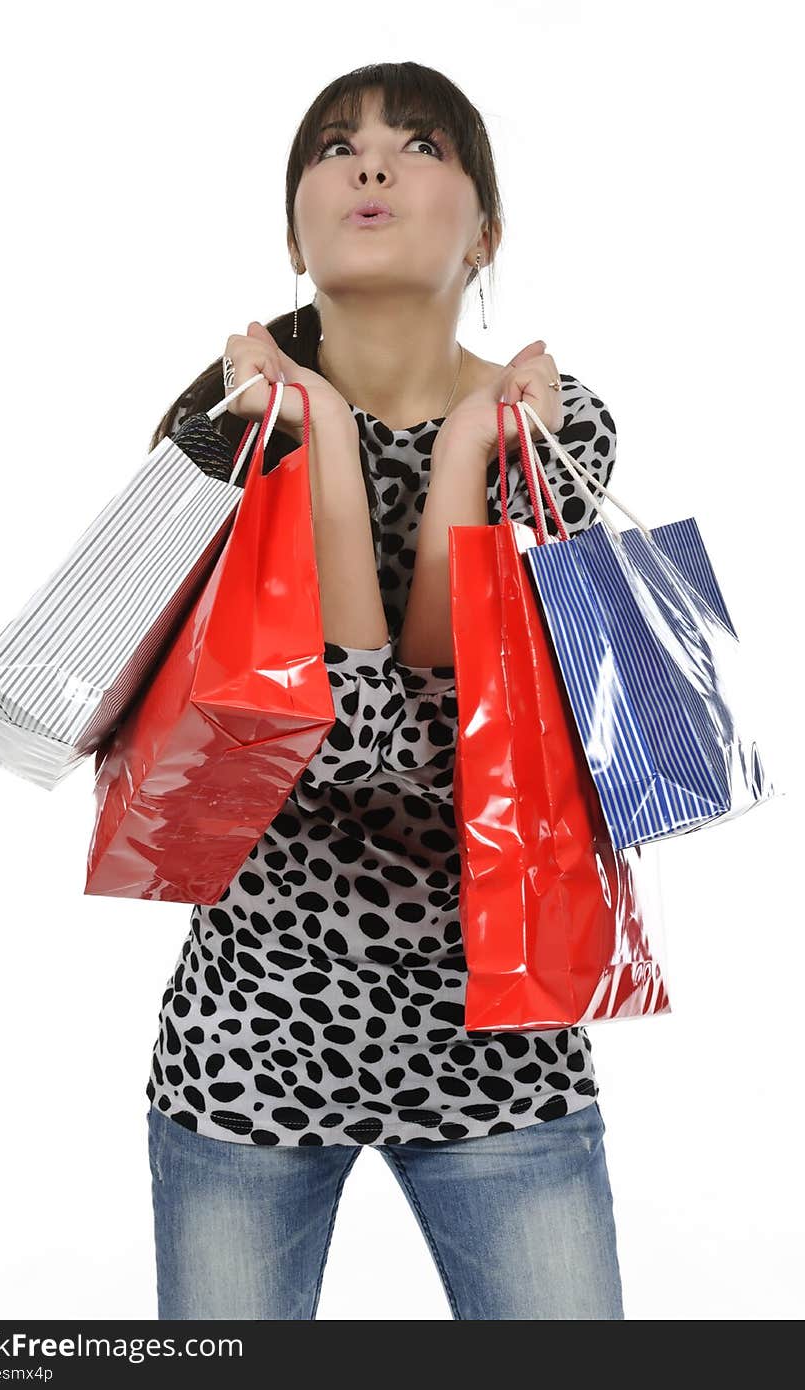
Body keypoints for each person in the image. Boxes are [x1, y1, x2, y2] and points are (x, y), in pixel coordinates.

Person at [144, 61, 624, 1321]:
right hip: (250, 1039)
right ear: (291, 227)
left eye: (419, 145)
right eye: (334, 147)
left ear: (485, 234)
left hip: (503, 1051)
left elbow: (447, 753)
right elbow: (337, 745)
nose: (369, 165)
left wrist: (463, 453)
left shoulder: (551, 431)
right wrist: (328, 443)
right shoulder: (225, 435)